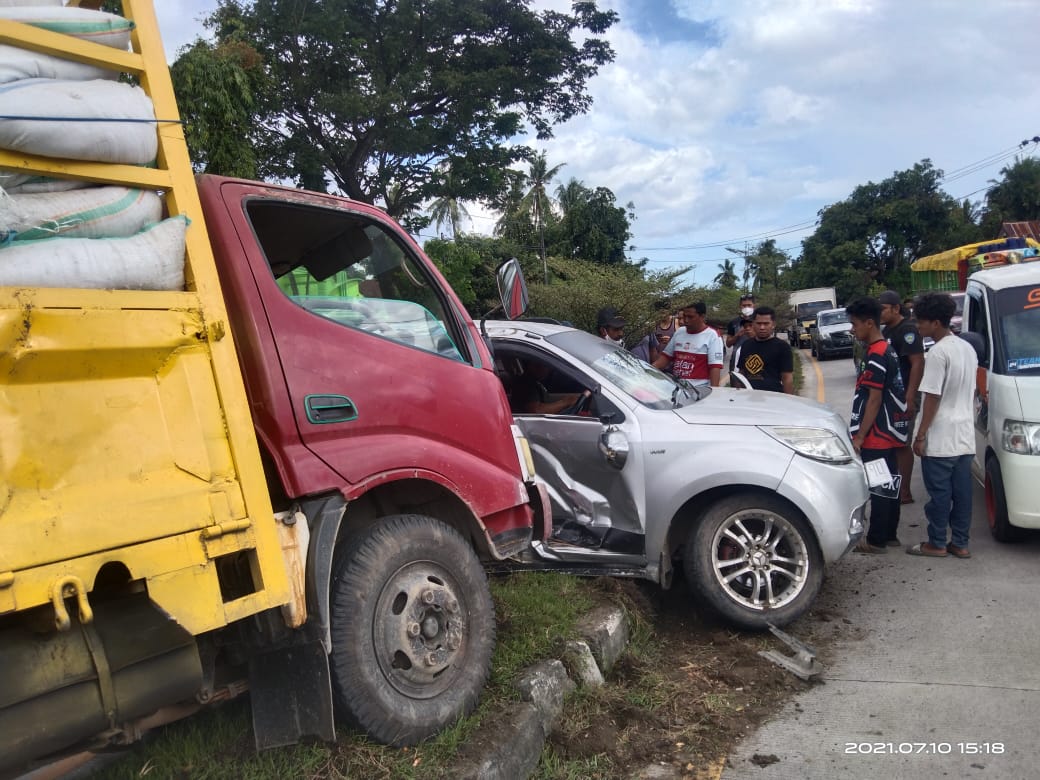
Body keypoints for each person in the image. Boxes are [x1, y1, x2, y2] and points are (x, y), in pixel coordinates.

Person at [906, 292, 978, 559]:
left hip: (941, 438)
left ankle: (936, 543)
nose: (917, 326)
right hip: (964, 436)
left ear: (935, 323)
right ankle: (960, 543)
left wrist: (921, 434)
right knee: (962, 495)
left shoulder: (937, 353)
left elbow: (932, 397)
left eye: (921, 321)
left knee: (939, 497)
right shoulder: (966, 348)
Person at [846, 296, 910, 553]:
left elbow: (873, 399)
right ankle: (890, 533)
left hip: (877, 433)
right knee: (890, 482)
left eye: (855, 324)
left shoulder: (876, 354)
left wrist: (861, 436)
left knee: (880, 486)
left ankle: (876, 539)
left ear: (869, 323)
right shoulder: (887, 348)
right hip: (889, 430)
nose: (852, 329)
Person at [879, 290, 924, 505]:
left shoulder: (908, 330)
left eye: (883, 309)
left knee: (902, 444)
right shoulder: (888, 329)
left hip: (904, 394)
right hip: (890, 396)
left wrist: (910, 395)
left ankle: (905, 491)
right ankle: (895, 487)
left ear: (895, 308)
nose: (880, 313)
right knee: (892, 442)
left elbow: (917, 362)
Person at [652, 301, 724, 387]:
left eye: (690, 317)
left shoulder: (712, 336)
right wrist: (645, 372)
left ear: (702, 316)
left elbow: (715, 368)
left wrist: (714, 393)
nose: (686, 320)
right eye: (684, 316)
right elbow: (664, 359)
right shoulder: (679, 332)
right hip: (677, 388)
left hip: (699, 390)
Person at [731, 307, 794, 393]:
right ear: (753, 323)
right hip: (749, 397)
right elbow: (741, 373)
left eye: (766, 323)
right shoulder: (746, 345)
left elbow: (787, 378)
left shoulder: (782, 347)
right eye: (759, 323)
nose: (762, 327)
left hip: (774, 397)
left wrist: (788, 401)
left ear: (773, 324)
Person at [511, 359, 586, 414]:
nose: (548, 370)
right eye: (545, 366)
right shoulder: (525, 384)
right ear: (533, 366)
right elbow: (537, 411)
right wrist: (566, 402)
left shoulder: (535, 382)